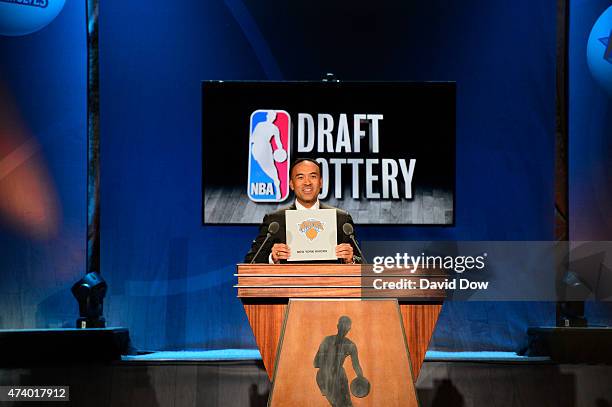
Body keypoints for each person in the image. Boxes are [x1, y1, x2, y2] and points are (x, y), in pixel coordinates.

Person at [244, 158, 361, 264]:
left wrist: (351, 260)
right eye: (300, 177)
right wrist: (272, 258)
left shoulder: (341, 219)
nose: (307, 182)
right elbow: (251, 261)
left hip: (329, 286)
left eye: (313, 176)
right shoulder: (275, 221)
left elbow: (361, 262)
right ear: (291, 184)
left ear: (320, 183)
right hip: (288, 286)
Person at [314, 316, 366, 407]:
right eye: (343, 325)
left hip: (334, 376)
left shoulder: (328, 341)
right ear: (348, 328)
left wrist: (361, 378)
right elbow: (316, 363)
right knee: (342, 404)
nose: (343, 328)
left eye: (344, 326)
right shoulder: (349, 345)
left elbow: (316, 362)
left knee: (345, 404)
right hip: (327, 377)